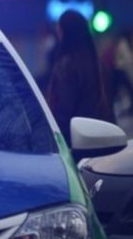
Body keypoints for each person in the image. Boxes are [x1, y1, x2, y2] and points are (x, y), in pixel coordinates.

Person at [44, 9, 115, 145]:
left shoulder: (65, 68)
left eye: (60, 31)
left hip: (74, 145)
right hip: (103, 141)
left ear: (65, 34)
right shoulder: (100, 66)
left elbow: (62, 112)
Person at [99, 29, 133, 118]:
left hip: (112, 71)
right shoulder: (123, 43)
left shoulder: (117, 42)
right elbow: (126, 58)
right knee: (131, 89)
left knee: (113, 92)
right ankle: (132, 110)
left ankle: (110, 110)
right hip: (118, 70)